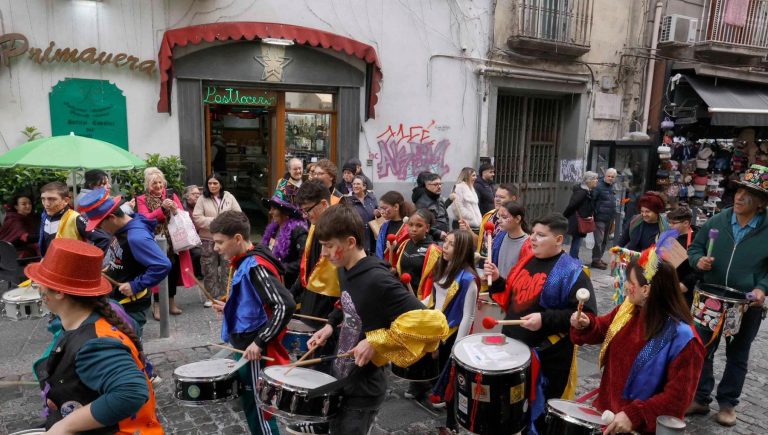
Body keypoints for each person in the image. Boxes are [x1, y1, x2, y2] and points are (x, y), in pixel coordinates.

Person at [307, 204, 448, 435]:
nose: (323, 253)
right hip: (344, 376)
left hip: (365, 387)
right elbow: (346, 301)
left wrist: (376, 341)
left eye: (329, 246)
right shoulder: (344, 269)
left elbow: (433, 323)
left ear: (351, 242)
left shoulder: (378, 280)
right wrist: (330, 325)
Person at [27, 238, 162, 434]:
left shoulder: (94, 343)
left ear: (59, 292)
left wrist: (66, 426)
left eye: (41, 284)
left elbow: (131, 392)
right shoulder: (94, 318)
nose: (38, 289)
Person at [570, 255, 705, 434]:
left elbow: (678, 399)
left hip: (640, 429)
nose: (625, 286)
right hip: (607, 415)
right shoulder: (629, 309)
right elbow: (604, 328)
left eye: (630, 281)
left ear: (646, 290)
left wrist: (635, 415)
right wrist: (588, 324)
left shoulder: (684, 340)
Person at [685, 164, 768, 426]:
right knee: (702, 348)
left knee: (738, 354)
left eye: (749, 194)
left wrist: (762, 288)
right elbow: (695, 248)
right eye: (739, 191)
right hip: (710, 297)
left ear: (761, 203)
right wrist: (699, 262)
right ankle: (699, 397)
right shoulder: (718, 220)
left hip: (745, 304)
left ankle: (728, 403)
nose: (740, 197)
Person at [485, 213, 596, 406]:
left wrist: (544, 319)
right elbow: (513, 296)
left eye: (541, 235)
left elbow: (585, 315)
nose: (533, 239)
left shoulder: (572, 271)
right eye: (533, 233)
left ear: (558, 239)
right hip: (513, 347)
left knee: (540, 413)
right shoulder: (527, 259)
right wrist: (497, 280)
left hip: (547, 357)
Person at [209, 210, 295, 435]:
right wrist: (228, 307)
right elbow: (253, 302)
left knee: (259, 409)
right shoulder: (244, 260)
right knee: (251, 404)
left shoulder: (255, 266)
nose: (215, 248)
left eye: (220, 242)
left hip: (255, 350)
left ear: (238, 239)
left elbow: (284, 305)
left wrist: (260, 341)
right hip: (246, 346)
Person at [81, 187, 172, 337]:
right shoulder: (122, 228)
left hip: (130, 306)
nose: (98, 229)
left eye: (99, 225)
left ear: (111, 217)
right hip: (117, 301)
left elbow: (162, 265)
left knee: (130, 348)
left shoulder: (136, 237)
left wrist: (136, 285)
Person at [421, 230, 479, 431]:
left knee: (452, 380)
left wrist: (457, 346)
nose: (444, 245)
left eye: (451, 244)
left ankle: (452, 422)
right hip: (436, 328)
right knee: (438, 373)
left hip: (452, 333)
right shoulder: (441, 266)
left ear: (462, 249)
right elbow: (434, 300)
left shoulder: (468, 279)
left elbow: (468, 316)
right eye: (446, 241)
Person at [136, 167, 194, 319]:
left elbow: (181, 215)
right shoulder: (142, 199)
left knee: (173, 270)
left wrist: (174, 209)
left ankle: (171, 301)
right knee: (158, 271)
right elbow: (145, 218)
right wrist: (161, 209)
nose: (158, 186)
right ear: (148, 184)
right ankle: (157, 305)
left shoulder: (171, 195)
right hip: (154, 240)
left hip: (174, 240)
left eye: (160, 182)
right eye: (154, 183)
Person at [292, 180, 340, 343]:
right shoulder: (314, 226)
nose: (305, 215)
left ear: (324, 204)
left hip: (330, 306)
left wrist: (335, 319)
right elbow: (308, 267)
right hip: (310, 303)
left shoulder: (340, 231)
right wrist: (291, 294)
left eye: (308, 210)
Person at [193, 174, 242, 306]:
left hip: (227, 239)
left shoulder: (229, 197)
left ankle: (227, 295)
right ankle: (212, 297)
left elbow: (238, 214)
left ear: (220, 184)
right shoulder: (202, 199)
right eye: (210, 183)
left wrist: (227, 223)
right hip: (208, 238)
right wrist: (216, 222)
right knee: (209, 268)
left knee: (228, 267)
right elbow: (197, 217)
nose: (212, 186)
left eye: (215, 183)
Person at [39, 181, 110, 256]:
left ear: (66, 201)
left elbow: (103, 239)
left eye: (52, 199)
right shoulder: (45, 216)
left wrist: (89, 262)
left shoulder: (75, 218)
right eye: (43, 199)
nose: (46, 204)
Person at [261, 195, 308, 289]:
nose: (270, 212)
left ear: (285, 212)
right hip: (273, 282)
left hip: (289, 287)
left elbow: (303, 262)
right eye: (270, 208)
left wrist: (279, 268)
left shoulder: (299, 231)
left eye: (274, 208)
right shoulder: (274, 229)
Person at [394, 208, 441, 296]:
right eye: (410, 225)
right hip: (402, 295)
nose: (414, 229)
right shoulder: (405, 244)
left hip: (421, 299)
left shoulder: (433, 250)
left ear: (427, 228)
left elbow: (434, 281)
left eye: (419, 226)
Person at [489, 201, 530, 283]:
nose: (499, 221)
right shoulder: (500, 237)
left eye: (504, 217)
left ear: (517, 219)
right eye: (499, 216)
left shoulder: (529, 244)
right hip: (498, 288)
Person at [666, 207, 699, 306]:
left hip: (683, 290)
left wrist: (686, 283)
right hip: (668, 284)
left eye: (673, 223)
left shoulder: (697, 240)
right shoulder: (671, 235)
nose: (670, 225)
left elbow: (700, 268)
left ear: (685, 223)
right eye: (669, 222)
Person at [477, 183, 519, 257]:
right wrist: (468, 230)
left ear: (513, 199)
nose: (497, 199)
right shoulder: (488, 215)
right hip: (483, 263)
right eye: (496, 196)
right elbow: (480, 242)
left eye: (502, 197)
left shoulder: (514, 221)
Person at [563, 171, 597, 260]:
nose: (596, 181)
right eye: (594, 179)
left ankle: (573, 259)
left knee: (577, 240)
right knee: (577, 241)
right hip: (577, 221)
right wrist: (564, 216)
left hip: (581, 220)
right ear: (588, 181)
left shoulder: (588, 191)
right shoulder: (582, 192)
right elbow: (572, 205)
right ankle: (573, 260)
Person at [375, 191, 414, 264]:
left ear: (396, 207)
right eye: (380, 208)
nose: (382, 212)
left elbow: (410, 251)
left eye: (384, 208)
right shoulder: (384, 226)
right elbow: (380, 250)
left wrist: (396, 247)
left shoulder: (408, 227)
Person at [591, 168, 617, 270]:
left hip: (609, 217)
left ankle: (599, 258)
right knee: (599, 240)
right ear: (605, 175)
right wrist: (594, 213)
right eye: (608, 176)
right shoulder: (598, 186)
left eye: (612, 177)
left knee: (605, 240)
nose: (610, 178)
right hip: (600, 217)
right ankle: (596, 260)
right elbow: (592, 200)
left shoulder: (611, 186)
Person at [344, 175, 378, 254]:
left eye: (358, 184)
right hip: (357, 236)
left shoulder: (371, 198)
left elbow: (379, 214)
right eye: (354, 184)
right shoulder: (347, 200)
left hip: (372, 236)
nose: (355, 186)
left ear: (364, 186)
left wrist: (378, 213)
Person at [0, 192, 40, 258]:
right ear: (16, 207)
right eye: (23, 204)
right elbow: (24, 237)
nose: (28, 206)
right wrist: (44, 236)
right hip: (13, 256)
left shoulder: (29, 218)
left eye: (29, 203)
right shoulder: (13, 220)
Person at [415, 173, 453, 238]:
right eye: (435, 184)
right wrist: (438, 233)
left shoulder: (440, 199)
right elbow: (421, 224)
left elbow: (446, 217)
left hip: (444, 237)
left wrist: (448, 230)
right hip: (431, 239)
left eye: (440, 184)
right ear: (427, 185)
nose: (439, 186)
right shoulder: (422, 203)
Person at [450, 167, 482, 231]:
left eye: (475, 175)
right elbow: (456, 206)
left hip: (472, 225)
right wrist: (471, 216)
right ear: (466, 176)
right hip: (463, 224)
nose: (475, 177)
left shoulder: (470, 187)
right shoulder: (459, 187)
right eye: (473, 175)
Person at [181, 185, 203, 279]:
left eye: (199, 194)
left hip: (202, 236)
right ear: (186, 196)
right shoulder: (182, 207)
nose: (197, 196)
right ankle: (196, 273)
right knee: (198, 253)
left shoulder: (201, 206)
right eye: (194, 194)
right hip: (188, 239)